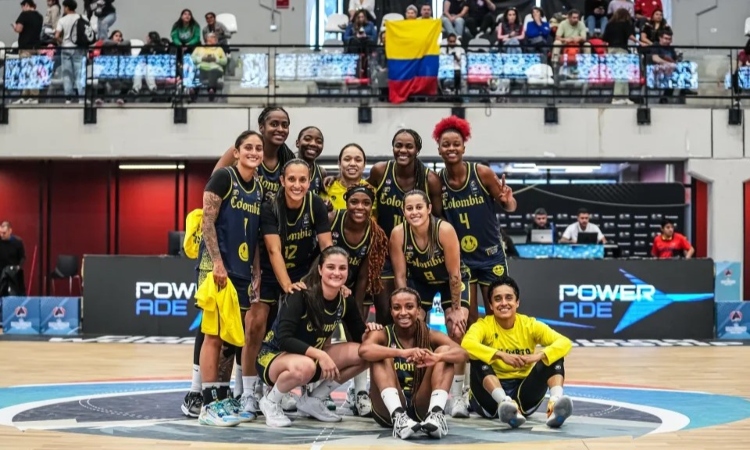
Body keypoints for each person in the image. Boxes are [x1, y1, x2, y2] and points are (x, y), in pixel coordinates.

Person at [240, 159, 334, 415]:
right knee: (256, 324)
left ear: (309, 182)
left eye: (302, 180)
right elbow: (273, 249)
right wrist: (287, 286)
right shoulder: (271, 205)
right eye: (291, 179)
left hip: (304, 271)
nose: (297, 184)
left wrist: (332, 278)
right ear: (282, 181)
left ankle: (301, 391)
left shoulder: (314, 204)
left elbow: (326, 247)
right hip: (272, 273)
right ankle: (248, 392)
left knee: (308, 329)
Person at [255, 246, 379, 427]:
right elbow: (284, 339)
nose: (336, 273)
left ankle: (313, 400)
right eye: (331, 267)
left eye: (342, 268)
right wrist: (320, 354)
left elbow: (360, 336)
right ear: (320, 270)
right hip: (273, 358)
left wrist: (372, 331)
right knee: (305, 366)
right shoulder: (300, 294)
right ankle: (271, 401)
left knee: (366, 353)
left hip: (309, 361)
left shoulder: (345, 300)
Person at [191, 130, 265, 426]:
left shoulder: (258, 187)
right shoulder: (224, 177)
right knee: (214, 335)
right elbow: (207, 220)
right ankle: (208, 405)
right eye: (248, 147)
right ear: (236, 151)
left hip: (242, 270)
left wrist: (256, 271)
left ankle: (221, 397)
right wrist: (218, 264)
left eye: (258, 148)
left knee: (232, 339)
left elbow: (256, 233)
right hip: (217, 268)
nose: (254, 152)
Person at [390, 189, 471, 418]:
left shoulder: (444, 230)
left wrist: (455, 310)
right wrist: (406, 308)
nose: (414, 212)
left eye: (418, 207)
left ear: (428, 209)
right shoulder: (398, 234)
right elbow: (400, 277)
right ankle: (416, 389)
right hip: (420, 282)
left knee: (456, 329)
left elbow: (454, 273)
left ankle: (458, 396)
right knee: (413, 328)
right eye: (409, 208)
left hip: (449, 282)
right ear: (403, 211)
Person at [434, 116, 516, 328]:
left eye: (456, 144)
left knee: (495, 312)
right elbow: (437, 219)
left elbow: (510, 206)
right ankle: (477, 360)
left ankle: (497, 358)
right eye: (446, 145)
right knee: (468, 316)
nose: (451, 148)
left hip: (491, 255)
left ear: (463, 148)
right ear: (439, 150)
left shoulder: (482, 173)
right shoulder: (437, 182)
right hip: (461, 259)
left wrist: (508, 201)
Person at [461, 277, 574, 428]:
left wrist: (538, 356)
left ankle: (555, 405)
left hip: (523, 397)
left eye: (509, 298)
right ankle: (504, 403)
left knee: (553, 356)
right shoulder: (483, 325)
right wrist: (500, 355)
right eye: (497, 299)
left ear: (517, 302)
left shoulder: (529, 325)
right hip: (488, 400)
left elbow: (565, 342)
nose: (503, 303)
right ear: (491, 305)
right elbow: (466, 344)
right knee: (477, 356)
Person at [359, 287, 468, 439]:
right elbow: (364, 351)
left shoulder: (430, 335)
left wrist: (436, 357)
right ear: (391, 311)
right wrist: (402, 353)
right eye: (397, 308)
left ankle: (436, 415)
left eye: (409, 307)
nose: (403, 312)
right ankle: (399, 418)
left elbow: (462, 354)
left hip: (420, 404)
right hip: (387, 409)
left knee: (445, 352)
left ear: (418, 311)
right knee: (381, 354)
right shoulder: (383, 334)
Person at [367, 129, 443, 326]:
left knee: (413, 314)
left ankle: (413, 354)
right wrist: (332, 181)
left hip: (416, 255)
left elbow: (439, 217)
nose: (403, 150)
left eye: (409, 146)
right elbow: (362, 195)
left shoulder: (430, 179)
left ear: (417, 149)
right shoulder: (380, 171)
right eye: (398, 145)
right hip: (383, 253)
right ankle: (387, 355)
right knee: (384, 311)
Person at [328, 185, 389, 416]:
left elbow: (364, 275)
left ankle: (360, 392)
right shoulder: (333, 220)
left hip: (352, 289)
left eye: (365, 203)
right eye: (354, 202)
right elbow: (317, 257)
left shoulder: (374, 232)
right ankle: (313, 390)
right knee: (320, 336)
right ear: (346, 200)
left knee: (358, 336)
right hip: (324, 285)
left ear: (371, 205)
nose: (360, 207)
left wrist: (354, 306)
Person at [214, 106, 296, 199]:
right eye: (274, 124)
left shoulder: (289, 159)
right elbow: (214, 184)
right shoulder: (241, 150)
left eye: (285, 125)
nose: (280, 129)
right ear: (261, 127)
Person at [321, 143, 374, 212]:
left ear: (364, 165)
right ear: (339, 164)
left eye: (358, 160)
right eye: (347, 159)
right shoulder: (326, 187)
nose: (352, 163)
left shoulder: (371, 190)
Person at [295, 126, 326, 195]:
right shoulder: (286, 167)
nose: (313, 144)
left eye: (319, 141)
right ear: (298, 143)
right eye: (307, 139)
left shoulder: (321, 172)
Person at [0, 221, 26, 296]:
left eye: (4, 233)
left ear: (10, 231)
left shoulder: (17, 242)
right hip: (1, 271)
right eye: (0, 232)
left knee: (16, 293)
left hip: (14, 272)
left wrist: (19, 267)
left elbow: (22, 257)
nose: (2, 235)